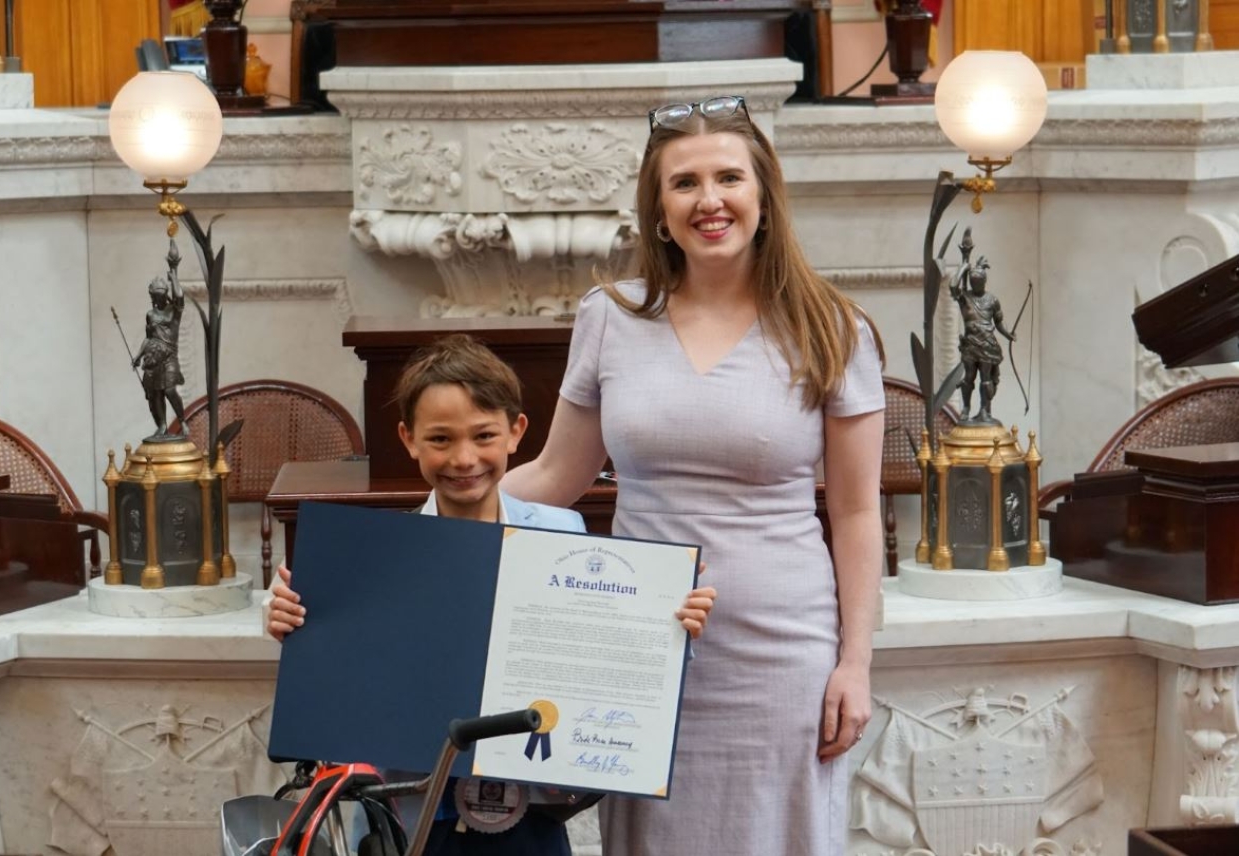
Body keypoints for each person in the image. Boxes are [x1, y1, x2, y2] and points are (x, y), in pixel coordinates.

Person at [499, 95, 886, 856]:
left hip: (781, 653)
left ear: (764, 197)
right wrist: (420, 524)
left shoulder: (834, 328)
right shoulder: (609, 317)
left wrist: (856, 662)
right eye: (684, 184)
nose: (709, 201)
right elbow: (553, 475)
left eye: (728, 178)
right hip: (645, 649)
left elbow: (855, 512)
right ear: (658, 210)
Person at [266, 334, 717, 856]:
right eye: (440, 440)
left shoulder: (562, 535)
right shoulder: (377, 560)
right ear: (408, 439)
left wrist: (670, 623)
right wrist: (292, 621)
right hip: (413, 817)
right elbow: (341, 677)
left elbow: (605, 651)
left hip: (535, 811)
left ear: (516, 432)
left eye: (483, 435)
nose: (464, 459)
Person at [949, 253, 1015, 423]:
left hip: (987, 344)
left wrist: (1008, 334)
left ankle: (985, 410)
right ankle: (966, 408)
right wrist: (964, 266)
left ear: (984, 282)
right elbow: (953, 285)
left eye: (978, 283)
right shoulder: (964, 297)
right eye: (973, 282)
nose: (975, 285)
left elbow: (999, 323)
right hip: (970, 344)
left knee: (986, 379)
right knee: (969, 377)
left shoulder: (992, 300)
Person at [132, 240, 187, 438]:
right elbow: (149, 339)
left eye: (162, 295)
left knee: (170, 390)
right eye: (157, 296)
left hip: (169, 356)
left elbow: (179, 297)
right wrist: (138, 356)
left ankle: (182, 420)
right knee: (156, 395)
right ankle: (162, 425)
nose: (160, 299)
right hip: (152, 359)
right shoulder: (150, 315)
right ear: (153, 297)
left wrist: (174, 275)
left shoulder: (174, 312)